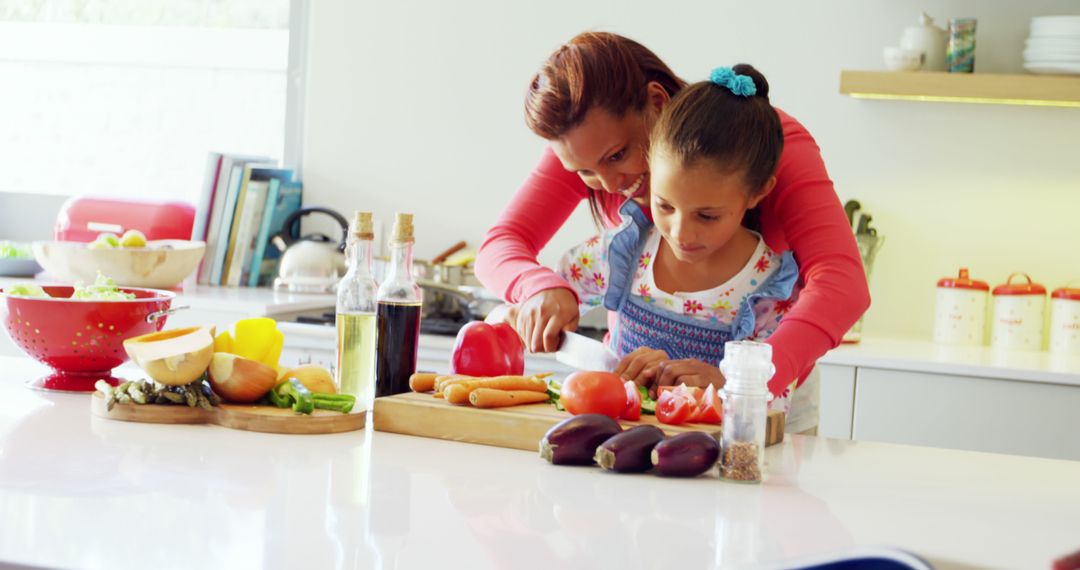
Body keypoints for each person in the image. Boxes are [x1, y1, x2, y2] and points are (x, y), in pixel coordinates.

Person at [475, 32, 868, 430]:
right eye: (585, 172)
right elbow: (500, 245)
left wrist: (741, 382)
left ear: (657, 102)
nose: (609, 184)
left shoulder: (760, 146)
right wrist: (538, 287)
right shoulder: (588, 146)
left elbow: (842, 284)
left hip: (757, 405)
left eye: (618, 155)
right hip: (638, 410)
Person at [555, 64, 801, 417]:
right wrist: (544, 301)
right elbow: (557, 289)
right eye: (665, 205)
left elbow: (774, 404)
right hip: (614, 456)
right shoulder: (627, 250)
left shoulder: (770, 291)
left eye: (707, 216)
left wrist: (722, 383)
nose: (680, 233)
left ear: (757, 193)